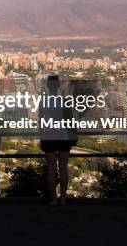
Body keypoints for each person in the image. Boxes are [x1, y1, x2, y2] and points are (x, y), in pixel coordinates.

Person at [39, 75, 74, 206]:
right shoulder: (65, 101)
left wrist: (42, 137)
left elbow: (41, 122)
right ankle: (63, 199)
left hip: (49, 136)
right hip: (63, 136)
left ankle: (54, 199)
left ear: (48, 86)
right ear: (59, 85)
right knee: (63, 168)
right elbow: (70, 121)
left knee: (51, 169)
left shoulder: (44, 102)